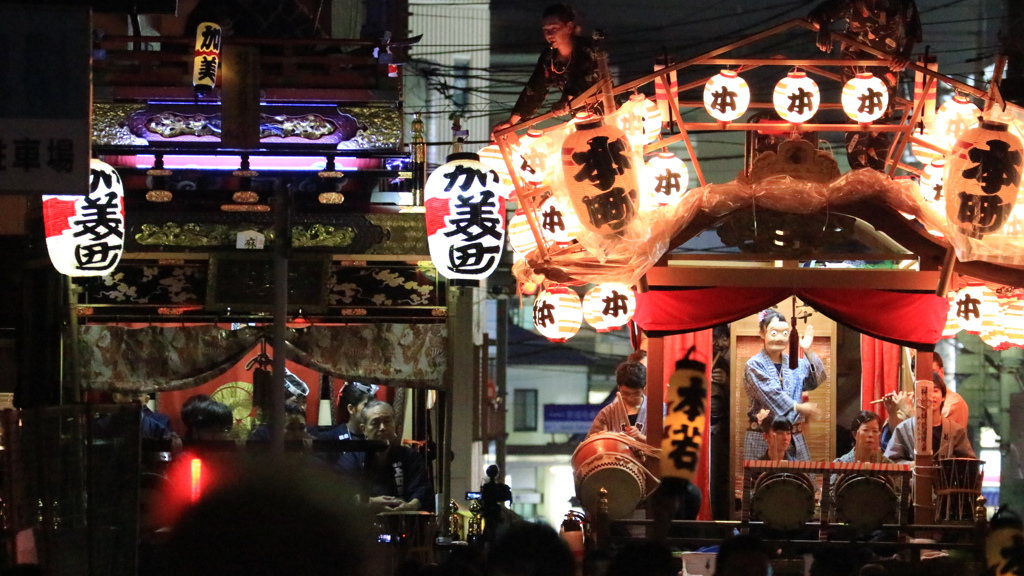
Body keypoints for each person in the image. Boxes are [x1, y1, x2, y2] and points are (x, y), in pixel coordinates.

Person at [808, 0, 922, 170]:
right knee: (856, 117)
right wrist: (824, 29)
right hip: (855, 60)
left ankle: (877, 171)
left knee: (883, 117)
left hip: (887, 62)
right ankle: (858, 171)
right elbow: (818, 15)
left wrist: (905, 53)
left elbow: (913, 29)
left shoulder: (900, 3)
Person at [492, 4, 600, 132]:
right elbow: (535, 87)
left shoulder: (586, 49)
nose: (549, 34)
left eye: (554, 28)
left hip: (605, 111)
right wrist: (512, 121)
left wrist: (565, 99)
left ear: (569, 27)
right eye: (545, 29)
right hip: (580, 118)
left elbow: (580, 78)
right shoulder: (549, 57)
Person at [743, 308, 826, 461]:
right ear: (762, 333)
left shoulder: (795, 363)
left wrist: (808, 351)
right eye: (774, 333)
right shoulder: (754, 365)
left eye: (785, 333)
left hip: (793, 437)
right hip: (764, 437)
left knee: (800, 482)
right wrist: (798, 407)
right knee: (762, 481)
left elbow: (816, 380)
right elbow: (771, 395)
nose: (780, 338)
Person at [339, 400, 433, 512]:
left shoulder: (409, 456)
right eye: (375, 423)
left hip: (402, 522)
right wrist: (369, 502)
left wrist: (411, 506)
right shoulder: (351, 457)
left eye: (387, 422)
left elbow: (422, 488)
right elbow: (342, 493)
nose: (383, 428)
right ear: (364, 429)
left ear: (395, 425)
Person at [883, 373, 975, 464]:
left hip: (944, 479)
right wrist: (910, 465)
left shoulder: (956, 430)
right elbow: (890, 461)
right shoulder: (903, 428)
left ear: (943, 397)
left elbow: (969, 462)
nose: (931, 396)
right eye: (925, 391)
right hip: (912, 478)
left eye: (935, 390)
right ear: (917, 397)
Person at [587, 351, 651, 442]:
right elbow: (591, 443)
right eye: (626, 393)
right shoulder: (607, 413)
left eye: (636, 394)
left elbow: (667, 447)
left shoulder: (659, 411)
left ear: (644, 387)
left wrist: (641, 437)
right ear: (619, 388)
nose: (630, 398)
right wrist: (604, 438)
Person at [480, 464, 513, 544]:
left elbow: (482, 499)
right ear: (497, 474)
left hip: (488, 511)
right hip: (495, 511)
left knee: (488, 529)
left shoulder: (486, 487)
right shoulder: (502, 487)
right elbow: (508, 498)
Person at [934, 355, 969, 428]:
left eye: (932, 373)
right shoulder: (910, 398)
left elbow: (937, 436)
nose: (926, 378)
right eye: (919, 374)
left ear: (942, 372)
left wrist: (910, 413)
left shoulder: (953, 404)